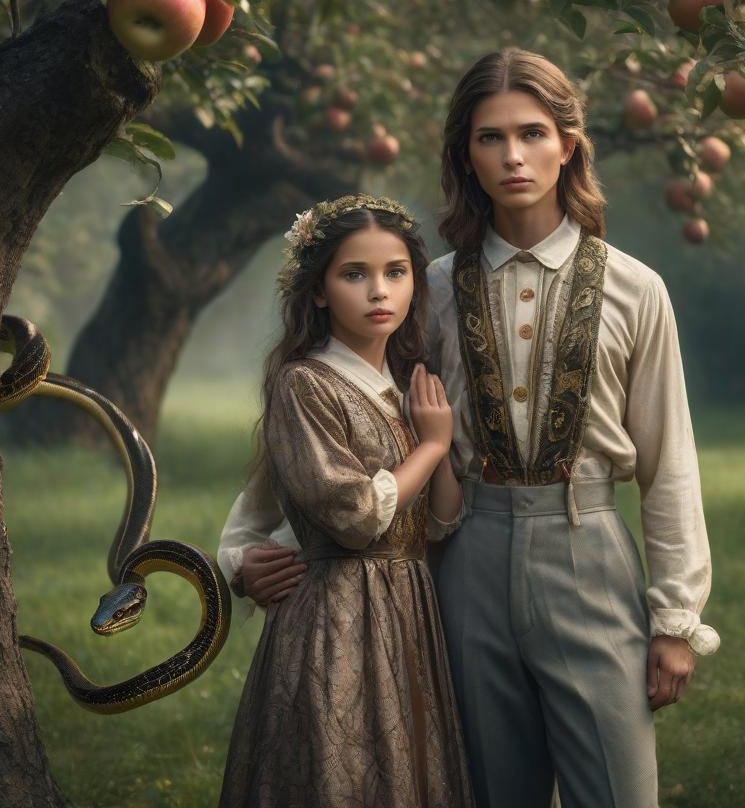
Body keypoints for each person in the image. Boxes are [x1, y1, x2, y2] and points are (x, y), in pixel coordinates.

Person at [220, 51, 719, 808]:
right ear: (466, 155)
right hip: (463, 565)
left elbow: (670, 461)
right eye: (490, 138)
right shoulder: (432, 290)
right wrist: (241, 553)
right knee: (483, 789)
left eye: (532, 133)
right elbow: (337, 423)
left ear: (568, 143)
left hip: (588, 549)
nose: (513, 156)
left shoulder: (635, 287)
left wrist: (677, 617)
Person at [217, 194, 474, 808]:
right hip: (336, 617)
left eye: (395, 272)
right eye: (354, 274)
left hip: (409, 610)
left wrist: (434, 441)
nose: (378, 291)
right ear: (320, 290)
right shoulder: (304, 383)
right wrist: (432, 447)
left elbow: (438, 523)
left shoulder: (407, 382)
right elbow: (357, 518)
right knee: (342, 771)